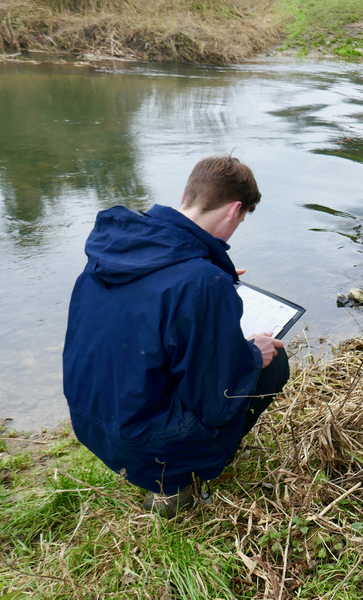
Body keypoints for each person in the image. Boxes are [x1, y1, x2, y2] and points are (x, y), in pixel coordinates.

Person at [62, 155, 289, 517]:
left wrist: (213, 278)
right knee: (273, 362)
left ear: (186, 196)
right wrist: (251, 354)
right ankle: (173, 483)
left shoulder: (114, 249)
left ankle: (161, 468)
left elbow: (150, 308)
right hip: (145, 445)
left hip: (91, 423)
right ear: (235, 210)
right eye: (241, 219)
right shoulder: (201, 282)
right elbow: (216, 400)